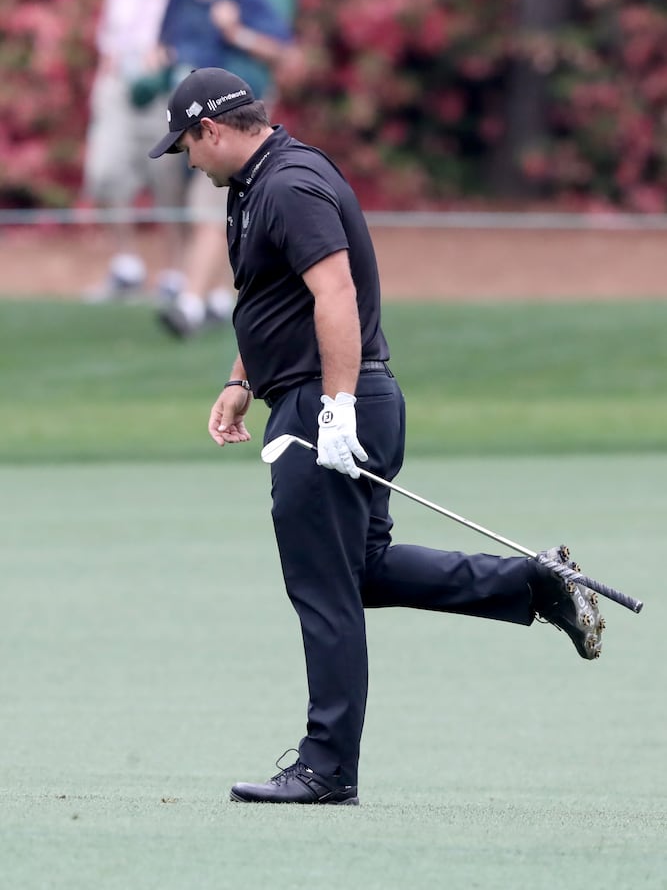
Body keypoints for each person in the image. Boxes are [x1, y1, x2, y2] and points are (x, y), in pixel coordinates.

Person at [148, 67, 605, 806]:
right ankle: (537, 582)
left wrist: (332, 410)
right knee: (358, 572)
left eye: (187, 147)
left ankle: (327, 769)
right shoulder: (254, 186)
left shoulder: (290, 185)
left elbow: (335, 292)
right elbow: (273, 297)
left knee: (321, 588)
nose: (188, 161)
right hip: (324, 395)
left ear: (213, 129)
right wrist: (240, 380)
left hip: (329, 403)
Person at [155, 0, 301, 337]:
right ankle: (214, 290)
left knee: (210, 205)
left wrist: (236, 33)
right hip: (181, 117)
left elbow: (284, 53)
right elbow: (165, 44)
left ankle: (190, 304)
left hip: (229, 119)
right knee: (186, 204)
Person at [82, 0, 195, 301]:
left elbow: (189, 36)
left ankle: (175, 272)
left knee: (168, 183)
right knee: (104, 172)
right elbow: (110, 33)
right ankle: (126, 265)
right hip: (118, 84)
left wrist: (162, 62)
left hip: (163, 89)